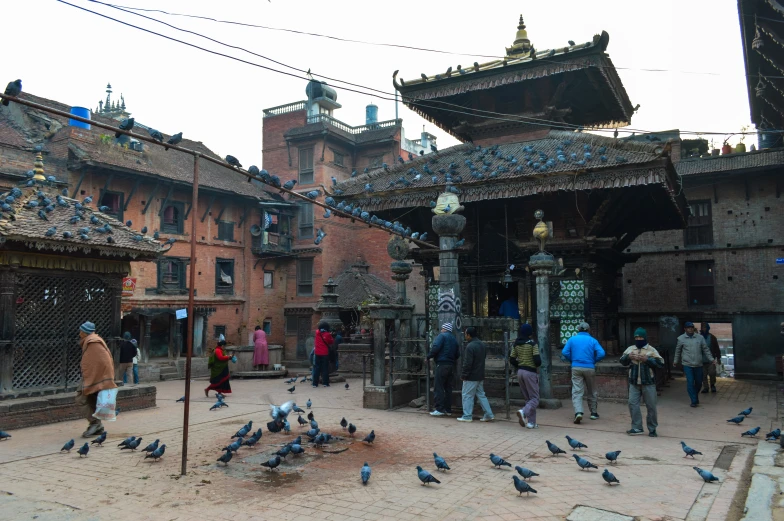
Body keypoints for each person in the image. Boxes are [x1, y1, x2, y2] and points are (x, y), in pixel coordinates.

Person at [620, 328, 664, 437]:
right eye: (636, 337)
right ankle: (636, 427)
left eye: (640, 337)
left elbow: (660, 363)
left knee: (651, 406)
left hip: (648, 382)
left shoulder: (651, 350)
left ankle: (652, 429)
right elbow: (622, 361)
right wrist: (628, 357)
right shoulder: (630, 349)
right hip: (634, 382)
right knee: (632, 404)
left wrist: (647, 359)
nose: (638, 339)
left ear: (645, 338)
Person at [76, 321, 116, 438]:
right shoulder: (91, 341)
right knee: (91, 400)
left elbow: (102, 361)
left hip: (95, 377)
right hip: (94, 376)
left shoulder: (93, 342)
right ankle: (97, 424)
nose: (79, 333)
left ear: (85, 332)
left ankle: (95, 423)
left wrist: (95, 377)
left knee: (80, 398)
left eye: (81, 331)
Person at [562, 321, 605, 424]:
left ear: (578, 329)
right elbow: (602, 353)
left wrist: (572, 359)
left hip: (576, 367)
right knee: (592, 390)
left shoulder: (572, 339)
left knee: (577, 391)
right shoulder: (593, 340)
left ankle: (578, 412)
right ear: (589, 330)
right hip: (590, 368)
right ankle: (594, 413)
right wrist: (594, 360)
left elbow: (564, 352)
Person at [458, 327, 494, 422]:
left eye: (466, 334)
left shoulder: (470, 346)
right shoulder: (482, 345)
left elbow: (467, 363)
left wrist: (464, 375)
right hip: (480, 374)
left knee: (467, 395)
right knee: (481, 395)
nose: (465, 336)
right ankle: (489, 414)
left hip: (471, 376)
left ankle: (467, 416)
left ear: (469, 335)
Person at [674, 321, 714, 407]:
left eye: (691, 327)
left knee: (699, 382)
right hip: (687, 364)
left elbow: (705, 349)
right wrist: (675, 361)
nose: (690, 329)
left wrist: (711, 359)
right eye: (688, 328)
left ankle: (694, 396)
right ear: (685, 329)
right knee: (690, 382)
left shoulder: (700, 338)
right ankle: (694, 400)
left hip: (698, 364)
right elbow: (678, 351)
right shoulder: (681, 339)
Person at [511, 323, 541, 429]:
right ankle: (523, 412)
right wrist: (534, 365)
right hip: (530, 373)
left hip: (520, 372)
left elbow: (512, 359)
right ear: (530, 333)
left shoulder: (516, 344)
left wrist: (519, 365)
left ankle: (531, 423)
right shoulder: (532, 344)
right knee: (535, 398)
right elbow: (538, 360)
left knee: (528, 399)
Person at [427, 322, 460, 417]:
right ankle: (448, 409)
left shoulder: (442, 336)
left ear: (444, 329)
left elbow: (436, 347)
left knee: (439, 387)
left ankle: (439, 409)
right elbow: (458, 354)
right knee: (448, 388)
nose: (441, 330)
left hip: (442, 364)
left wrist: (428, 356)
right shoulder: (454, 339)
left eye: (442, 329)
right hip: (451, 365)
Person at [700, 322, 721, 394]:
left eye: (705, 327)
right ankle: (706, 387)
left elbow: (717, 348)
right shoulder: (699, 337)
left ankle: (712, 385)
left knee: (712, 373)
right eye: (703, 327)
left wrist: (718, 358)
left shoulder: (712, 337)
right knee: (703, 375)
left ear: (708, 328)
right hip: (701, 360)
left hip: (711, 360)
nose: (704, 329)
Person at [312, 322, 334, 387]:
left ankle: (315, 384)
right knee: (325, 368)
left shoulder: (317, 333)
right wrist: (330, 335)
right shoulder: (327, 334)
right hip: (324, 353)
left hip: (317, 353)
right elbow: (331, 341)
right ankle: (325, 383)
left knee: (317, 368)